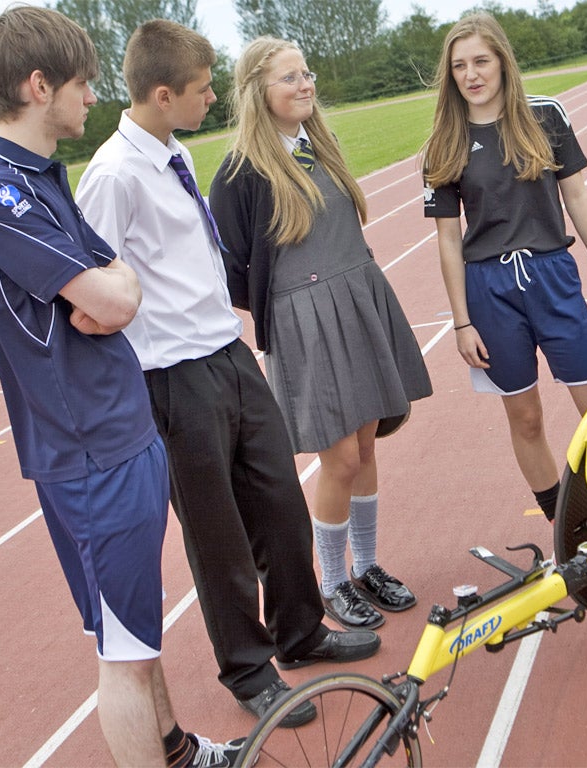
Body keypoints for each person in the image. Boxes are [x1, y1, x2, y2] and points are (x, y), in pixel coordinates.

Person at [76, 20, 381, 730]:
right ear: (161, 94)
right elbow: (90, 284)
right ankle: (249, 669)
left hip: (229, 354)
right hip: (174, 378)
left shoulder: (171, 153)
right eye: (202, 87)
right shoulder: (115, 176)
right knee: (219, 537)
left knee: (279, 503)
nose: (215, 96)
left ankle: (301, 633)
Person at [0, 7, 242, 767]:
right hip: (87, 450)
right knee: (122, 648)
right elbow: (112, 300)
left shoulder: (41, 178)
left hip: (121, 430)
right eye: (82, 84)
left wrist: (111, 286)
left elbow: (115, 283)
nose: (93, 97)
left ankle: (176, 750)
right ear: (39, 83)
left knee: (137, 630)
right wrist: (111, 287)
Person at [209, 37, 432, 631]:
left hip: (355, 300)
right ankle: (332, 582)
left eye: (307, 74)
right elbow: (229, 267)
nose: (305, 84)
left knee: (364, 448)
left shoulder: (318, 144)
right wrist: (290, 307)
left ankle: (368, 566)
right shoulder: (239, 172)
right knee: (338, 459)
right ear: (259, 90)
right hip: (307, 319)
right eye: (290, 78)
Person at [421, 13, 587, 523]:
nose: (472, 74)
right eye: (460, 65)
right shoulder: (442, 142)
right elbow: (448, 238)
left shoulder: (546, 115)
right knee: (525, 416)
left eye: (481, 61)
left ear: (502, 61)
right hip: (489, 290)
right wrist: (461, 321)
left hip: (553, 276)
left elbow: (576, 194)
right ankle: (565, 522)